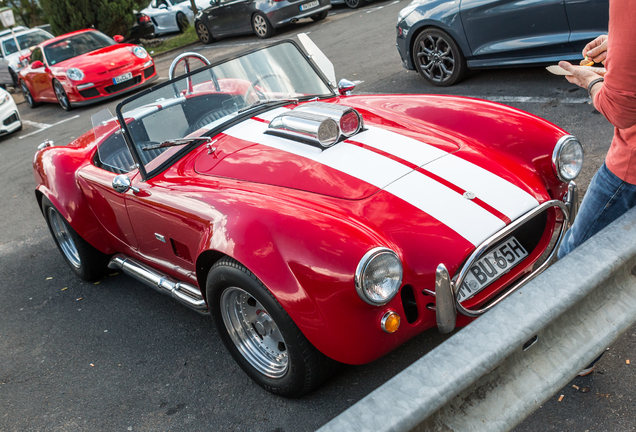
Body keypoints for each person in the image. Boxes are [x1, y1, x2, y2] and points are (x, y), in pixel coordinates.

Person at [556, 0, 636, 375]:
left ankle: (579, 353)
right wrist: (617, 45)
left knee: (575, 254)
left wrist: (591, 80)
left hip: (632, 166)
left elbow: (620, 107)